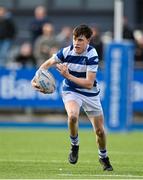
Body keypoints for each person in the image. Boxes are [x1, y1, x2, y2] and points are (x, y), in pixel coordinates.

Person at [31, 24, 113, 171]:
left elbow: (88, 84)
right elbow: (48, 63)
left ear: (88, 41)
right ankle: (74, 145)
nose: (76, 43)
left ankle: (103, 156)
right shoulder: (66, 51)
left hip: (90, 93)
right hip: (71, 90)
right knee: (73, 116)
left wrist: (68, 75)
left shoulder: (92, 55)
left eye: (80, 40)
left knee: (100, 131)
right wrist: (35, 78)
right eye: (75, 39)